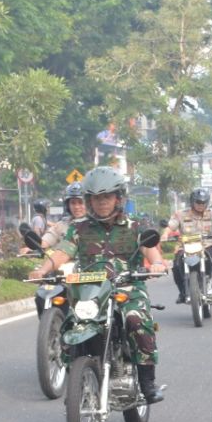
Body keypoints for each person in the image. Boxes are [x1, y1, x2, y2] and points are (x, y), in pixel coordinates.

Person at [28, 166, 168, 403]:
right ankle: (77, 373)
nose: (102, 202)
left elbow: (151, 250)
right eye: (96, 198)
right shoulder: (79, 228)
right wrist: (42, 270)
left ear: (118, 198)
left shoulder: (135, 226)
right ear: (89, 200)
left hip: (127, 288)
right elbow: (63, 252)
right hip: (90, 292)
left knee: (136, 321)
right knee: (72, 326)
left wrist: (156, 264)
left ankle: (147, 382)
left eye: (107, 197)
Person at [164, 187, 212, 303]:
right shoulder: (181, 214)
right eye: (198, 202)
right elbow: (170, 226)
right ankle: (182, 292)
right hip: (185, 246)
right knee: (176, 266)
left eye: (203, 202)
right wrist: (165, 235)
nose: (200, 205)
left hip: (205, 245)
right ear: (192, 201)